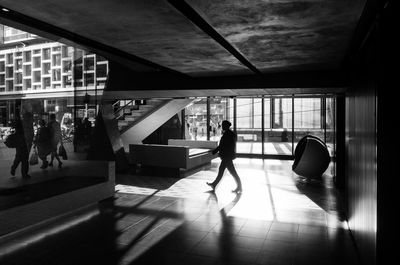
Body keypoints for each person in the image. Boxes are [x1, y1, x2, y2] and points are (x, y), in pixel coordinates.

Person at [207, 120, 242, 193]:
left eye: (223, 125)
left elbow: (222, 145)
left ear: (226, 126)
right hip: (228, 156)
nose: (222, 126)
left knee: (223, 171)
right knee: (231, 172)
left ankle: (214, 184)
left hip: (227, 156)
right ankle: (239, 187)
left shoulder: (228, 134)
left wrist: (214, 151)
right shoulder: (230, 133)